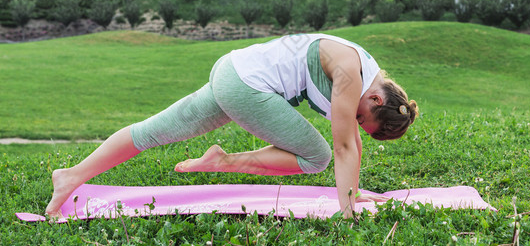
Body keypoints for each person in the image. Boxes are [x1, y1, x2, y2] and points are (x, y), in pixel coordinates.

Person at [45, 34, 418, 219]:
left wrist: (353, 191)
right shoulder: (351, 74)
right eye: (360, 119)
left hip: (232, 71)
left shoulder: (363, 71)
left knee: (152, 131)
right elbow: (343, 148)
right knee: (318, 155)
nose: (352, 122)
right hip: (244, 86)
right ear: (375, 101)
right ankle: (224, 162)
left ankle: (71, 175)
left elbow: (353, 142)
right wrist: (348, 212)